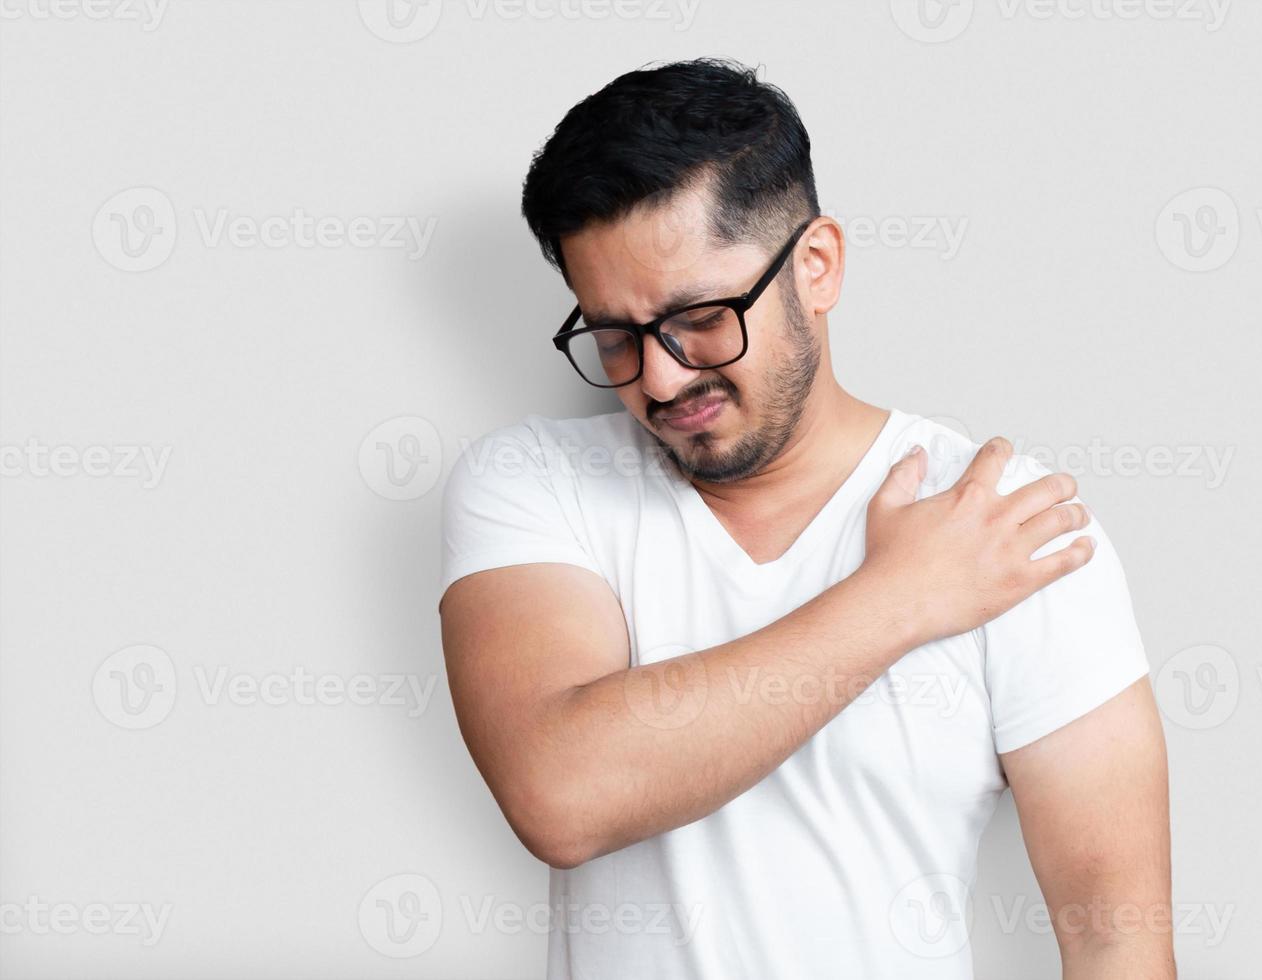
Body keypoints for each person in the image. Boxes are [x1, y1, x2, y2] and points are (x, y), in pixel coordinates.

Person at [440, 58, 1174, 980]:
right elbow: (561, 794)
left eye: (700, 318)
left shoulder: (1002, 525)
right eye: (616, 336)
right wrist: (900, 599)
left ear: (816, 267)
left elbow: (1118, 938)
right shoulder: (534, 483)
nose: (661, 379)